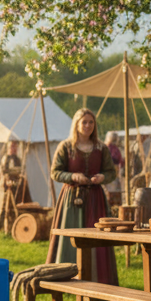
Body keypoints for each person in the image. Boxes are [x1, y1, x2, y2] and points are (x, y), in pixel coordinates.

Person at [46, 108, 118, 283]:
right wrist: (72, 176)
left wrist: (103, 177)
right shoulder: (66, 147)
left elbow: (111, 172)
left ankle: (98, 277)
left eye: (91, 122)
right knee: (70, 238)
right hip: (72, 199)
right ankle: (65, 276)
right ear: (77, 124)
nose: (87, 125)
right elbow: (55, 172)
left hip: (96, 199)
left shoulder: (101, 148)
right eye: (84, 122)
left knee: (96, 236)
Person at [0, 140, 31, 233]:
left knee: (17, 205)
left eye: (15, 147)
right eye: (12, 147)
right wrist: (7, 180)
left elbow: (20, 171)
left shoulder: (18, 159)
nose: (14, 149)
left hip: (16, 186)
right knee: (4, 207)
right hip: (6, 186)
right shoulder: (5, 158)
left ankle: (17, 226)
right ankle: (1, 227)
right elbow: (3, 171)